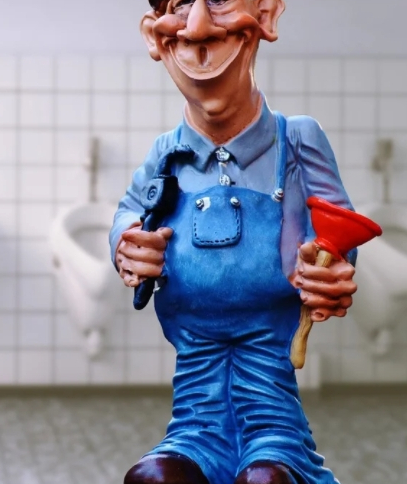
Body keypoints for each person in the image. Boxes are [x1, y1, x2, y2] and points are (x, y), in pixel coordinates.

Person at [109, 1, 358, 483]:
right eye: (180, 5)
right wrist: (125, 242)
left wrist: (332, 267)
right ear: (156, 37)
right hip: (194, 405)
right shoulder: (167, 154)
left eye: (221, 0)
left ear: (265, 16)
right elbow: (129, 210)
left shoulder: (296, 141)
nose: (198, 26)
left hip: (270, 393)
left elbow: (338, 227)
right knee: (154, 478)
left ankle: (278, 456)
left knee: (266, 478)